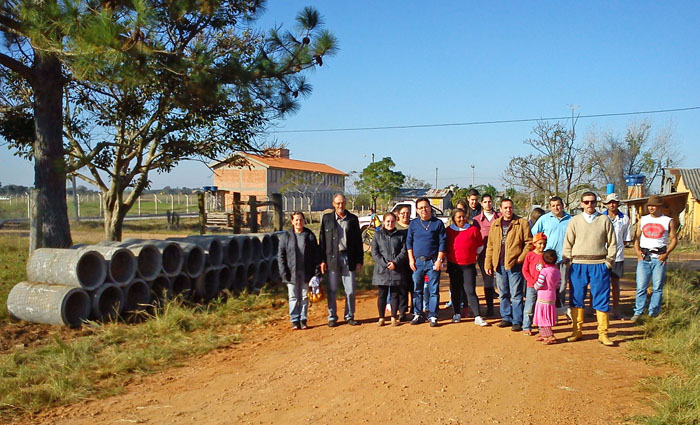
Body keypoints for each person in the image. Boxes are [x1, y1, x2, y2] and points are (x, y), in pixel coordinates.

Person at [562, 191, 617, 346]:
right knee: (576, 297)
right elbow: (567, 242)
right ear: (581, 204)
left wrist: (609, 262)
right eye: (586, 202)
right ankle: (576, 331)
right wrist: (568, 261)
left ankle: (603, 333)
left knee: (602, 297)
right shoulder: (574, 221)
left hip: (599, 264)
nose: (589, 205)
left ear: (596, 203)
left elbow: (613, 242)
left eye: (592, 202)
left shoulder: (604, 220)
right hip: (578, 264)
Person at [485, 198, 532, 332]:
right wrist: (488, 263)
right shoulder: (496, 224)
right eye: (505, 208)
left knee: (516, 294)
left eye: (510, 207)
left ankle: (517, 320)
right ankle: (506, 317)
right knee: (503, 293)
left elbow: (529, 243)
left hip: (514, 265)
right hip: (499, 265)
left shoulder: (521, 223)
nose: (508, 210)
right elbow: (490, 246)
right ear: (500, 209)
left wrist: (520, 259)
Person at [630, 195, 678, 321]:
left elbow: (674, 240)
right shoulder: (643, 220)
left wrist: (666, 253)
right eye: (649, 205)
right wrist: (637, 252)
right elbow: (636, 238)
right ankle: (638, 311)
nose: (651, 208)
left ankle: (653, 313)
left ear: (659, 206)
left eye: (654, 205)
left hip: (659, 258)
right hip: (644, 257)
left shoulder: (668, 221)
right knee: (641, 286)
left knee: (657, 287)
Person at [319, 193, 364, 327]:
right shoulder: (327, 219)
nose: (340, 205)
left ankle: (349, 316)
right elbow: (322, 241)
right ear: (333, 204)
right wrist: (322, 260)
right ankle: (332, 316)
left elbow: (358, 242)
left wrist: (359, 260)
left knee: (350, 290)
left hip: (348, 258)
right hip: (332, 257)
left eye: (343, 203)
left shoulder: (352, 219)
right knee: (332, 289)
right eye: (338, 203)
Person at [406, 197, 447, 327]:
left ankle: (433, 315)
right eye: (421, 208)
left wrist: (439, 260)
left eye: (426, 207)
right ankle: (418, 313)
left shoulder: (438, 223)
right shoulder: (413, 224)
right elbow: (409, 243)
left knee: (433, 290)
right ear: (417, 210)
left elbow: (442, 242)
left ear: (430, 208)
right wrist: (411, 259)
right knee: (417, 290)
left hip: (433, 261)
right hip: (417, 262)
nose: (424, 210)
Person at [277, 212, 320, 330]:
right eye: (296, 220)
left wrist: (316, 273)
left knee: (304, 297)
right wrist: (283, 272)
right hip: (291, 272)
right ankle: (294, 320)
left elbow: (316, 254)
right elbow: (281, 255)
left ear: (304, 221)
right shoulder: (286, 236)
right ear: (292, 221)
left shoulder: (309, 235)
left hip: (306, 271)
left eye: (300, 220)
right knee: (293, 297)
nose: (298, 222)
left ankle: (303, 319)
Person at [445, 208, 488, 326]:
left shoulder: (473, 229)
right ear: (453, 218)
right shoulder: (448, 231)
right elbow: (445, 246)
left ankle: (477, 316)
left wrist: (474, 256)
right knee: (455, 290)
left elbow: (480, 246)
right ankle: (457, 314)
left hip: (468, 265)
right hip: (454, 265)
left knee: (470, 291)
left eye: (463, 216)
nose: (461, 219)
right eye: (458, 217)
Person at [531, 196, 572, 317]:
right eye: (553, 206)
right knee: (547, 285)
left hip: (564, 258)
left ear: (563, 205)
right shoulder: (544, 219)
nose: (556, 208)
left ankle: (559, 309)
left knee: (562, 285)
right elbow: (534, 233)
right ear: (549, 207)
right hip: (548, 259)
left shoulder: (570, 219)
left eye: (558, 205)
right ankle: (546, 311)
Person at [371, 212, 408, 326]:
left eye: (392, 221)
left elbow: (404, 251)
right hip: (382, 270)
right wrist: (385, 263)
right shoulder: (378, 235)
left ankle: (393, 317)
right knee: (382, 294)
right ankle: (381, 317)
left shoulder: (400, 236)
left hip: (396, 269)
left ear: (395, 222)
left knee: (395, 294)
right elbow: (375, 252)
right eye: (388, 221)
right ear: (383, 222)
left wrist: (395, 263)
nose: (390, 223)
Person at [602, 193, 631, 319]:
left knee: (615, 283)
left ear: (618, 203)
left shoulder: (624, 219)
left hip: (617, 256)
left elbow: (625, 239)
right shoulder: (600, 217)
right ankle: (596, 308)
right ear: (606, 204)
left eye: (614, 202)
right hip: (601, 256)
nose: (612, 205)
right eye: (609, 202)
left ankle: (616, 310)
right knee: (599, 283)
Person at [473, 194, 501, 317]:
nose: (488, 204)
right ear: (482, 203)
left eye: (490, 201)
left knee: (502, 280)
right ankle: (490, 307)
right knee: (488, 280)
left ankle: (507, 308)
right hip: (484, 255)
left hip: (501, 253)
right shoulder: (477, 220)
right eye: (485, 202)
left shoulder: (500, 217)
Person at [533, 249, 562, 344]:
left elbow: (540, 283)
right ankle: (543, 334)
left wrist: (535, 286)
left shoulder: (544, 271)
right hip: (552, 296)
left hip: (543, 297)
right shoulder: (557, 271)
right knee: (547, 315)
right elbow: (558, 284)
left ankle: (550, 336)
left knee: (542, 317)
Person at [522, 232, 547, 335]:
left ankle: (542, 326)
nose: (542, 246)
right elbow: (525, 270)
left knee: (541, 307)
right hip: (531, 285)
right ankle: (526, 326)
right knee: (529, 305)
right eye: (540, 243)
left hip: (544, 287)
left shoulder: (546, 255)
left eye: (544, 243)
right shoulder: (530, 255)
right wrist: (532, 281)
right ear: (535, 243)